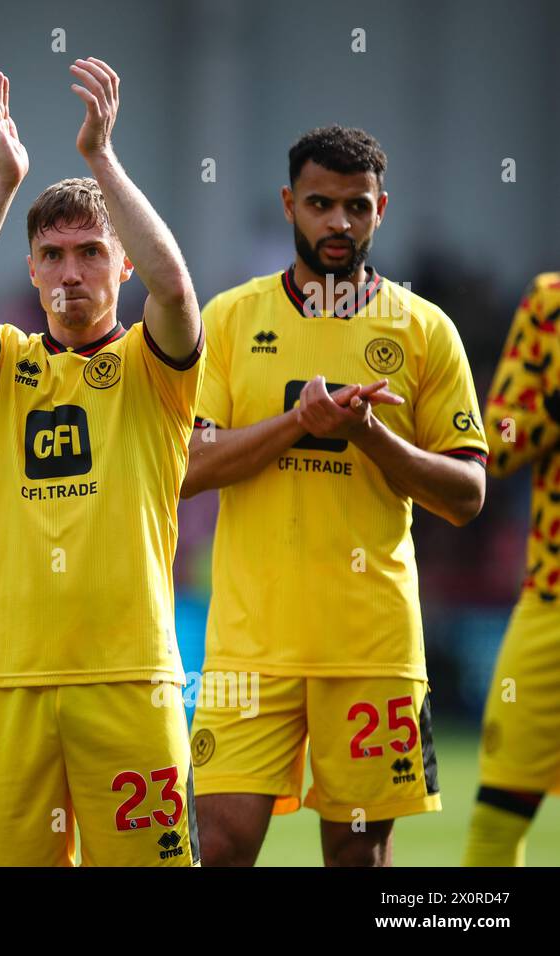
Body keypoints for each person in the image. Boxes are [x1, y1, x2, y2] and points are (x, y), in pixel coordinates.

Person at [181, 125, 488, 866]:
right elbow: (185, 464)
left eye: (357, 206)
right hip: (249, 642)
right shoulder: (229, 319)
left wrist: (372, 437)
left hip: (371, 642)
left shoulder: (424, 331)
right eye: (321, 204)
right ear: (290, 203)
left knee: (356, 856)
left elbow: (468, 493)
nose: (339, 223)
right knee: (219, 845)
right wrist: (298, 424)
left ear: (382, 208)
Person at [0, 60, 205, 866]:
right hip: (9, 681)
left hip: (129, 678)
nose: (71, 272)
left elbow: (179, 290)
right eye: (52, 255)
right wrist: (4, 186)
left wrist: (100, 158)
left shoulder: (156, 370)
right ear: (32, 270)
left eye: (90, 252)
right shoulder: (1, 374)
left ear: (122, 268)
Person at [463, 272, 560, 865]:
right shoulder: (550, 305)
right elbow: (496, 442)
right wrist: (551, 405)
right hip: (551, 600)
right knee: (495, 825)